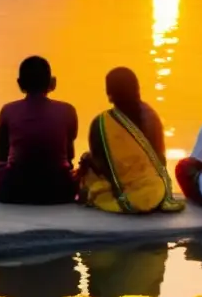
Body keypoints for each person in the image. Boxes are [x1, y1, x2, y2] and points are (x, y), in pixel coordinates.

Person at [76, 67, 184, 214]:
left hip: (130, 195)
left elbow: (103, 166)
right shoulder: (151, 115)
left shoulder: (101, 123)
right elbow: (160, 158)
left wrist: (87, 161)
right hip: (157, 190)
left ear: (109, 94)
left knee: (87, 164)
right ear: (137, 89)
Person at [0, 56, 79, 204]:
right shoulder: (67, 110)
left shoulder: (8, 110)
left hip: (15, 191)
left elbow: (2, 158)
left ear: (20, 84)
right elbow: (69, 157)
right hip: (59, 191)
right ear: (51, 82)